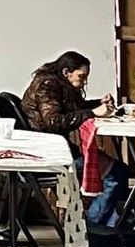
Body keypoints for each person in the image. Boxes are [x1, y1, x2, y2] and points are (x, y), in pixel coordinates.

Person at [23, 50, 125, 222]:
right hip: (50, 153)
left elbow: (71, 108)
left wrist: (98, 103)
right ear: (66, 72)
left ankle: (110, 231)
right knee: (116, 173)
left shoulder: (57, 83)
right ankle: (95, 227)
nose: (84, 82)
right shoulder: (47, 86)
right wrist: (93, 112)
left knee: (118, 172)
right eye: (81, 76)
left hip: (55, 148)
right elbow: (54, 121)